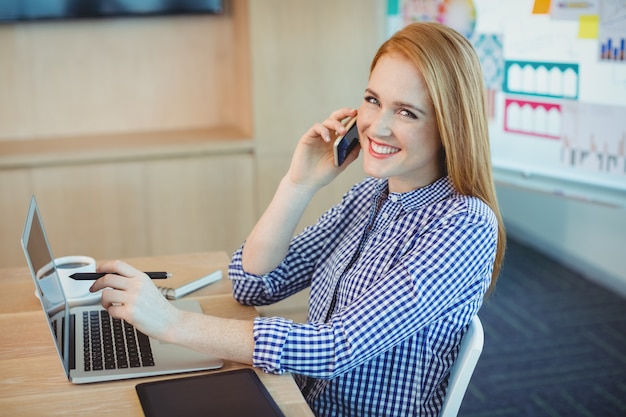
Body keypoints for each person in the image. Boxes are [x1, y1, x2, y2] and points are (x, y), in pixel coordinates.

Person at [91, 21, 506, 417]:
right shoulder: (370, 197)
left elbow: (335, 348)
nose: (375, 127)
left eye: (407, 113)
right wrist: (297, 184)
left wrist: (172, 323)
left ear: (450, 126)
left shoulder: (464, 225)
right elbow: (253, 282)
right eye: (373, 100)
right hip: (299, 400)